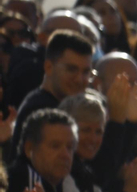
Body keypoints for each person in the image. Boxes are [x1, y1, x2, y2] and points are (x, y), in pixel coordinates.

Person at [14, 30, 93, 159]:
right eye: (71, 69)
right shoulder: (40, 110)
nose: (79, 79)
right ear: (49, 67)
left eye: (86, 72)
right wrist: (117, 121)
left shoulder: (62, 105)